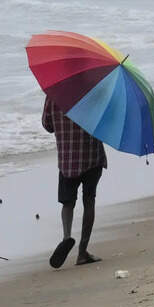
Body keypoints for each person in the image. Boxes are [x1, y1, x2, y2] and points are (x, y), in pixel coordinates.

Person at [42, 96, 106, 268]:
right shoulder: (93, 93)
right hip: (92, 156)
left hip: (67, 160)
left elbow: (47, 126)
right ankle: (82, 252)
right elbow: (103, 123)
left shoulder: (53, 95)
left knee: (68, 203)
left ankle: (66, 237)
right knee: (89, 201)